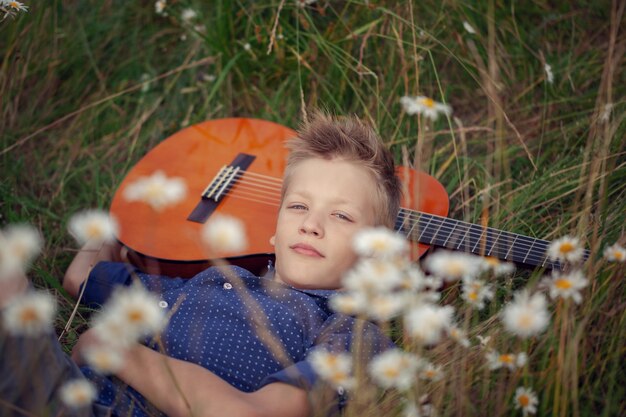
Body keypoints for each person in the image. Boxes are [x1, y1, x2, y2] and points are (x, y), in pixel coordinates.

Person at [0, 112, 402, 417]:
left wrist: (121, 354)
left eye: (342, 216)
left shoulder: (352, 330)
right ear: (274, 232)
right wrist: (116, 226)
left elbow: (255, 414)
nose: (311, 225)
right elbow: (80, 278)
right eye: (298, 206)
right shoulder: (211, 281)